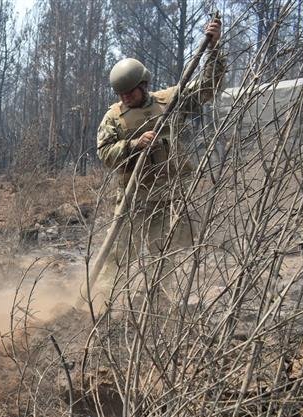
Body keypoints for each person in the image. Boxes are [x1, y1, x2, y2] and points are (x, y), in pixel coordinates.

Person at [94, 18, 225, 308]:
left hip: (167, 196)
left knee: (161, 251)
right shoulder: (113, 118)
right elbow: (105, 153)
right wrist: (132, 145)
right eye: (121, 94)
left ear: (143, 84)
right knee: (119, 253)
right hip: (133, 198)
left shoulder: (169, 101)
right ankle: (99, 303)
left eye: (130, 91)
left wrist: (214, 50)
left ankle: (157, 304)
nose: (126, 98)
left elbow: (207, 88)